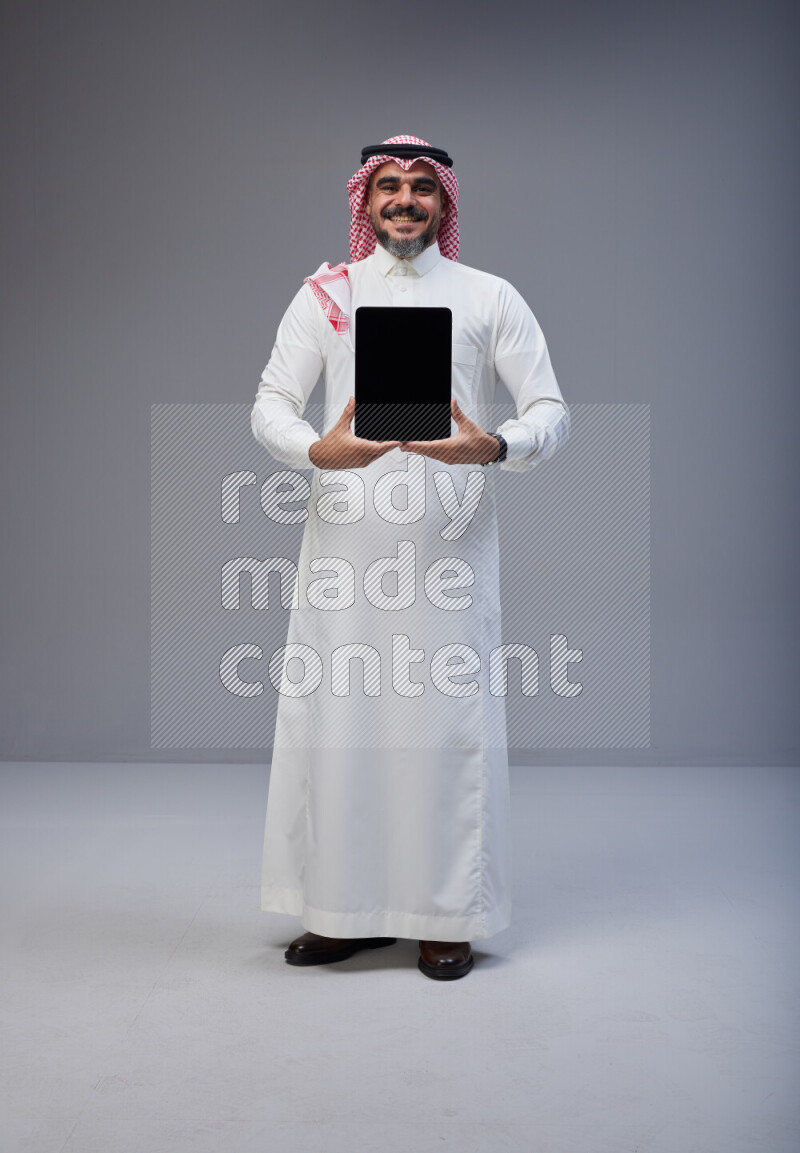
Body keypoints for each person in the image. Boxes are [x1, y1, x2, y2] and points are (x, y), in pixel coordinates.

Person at [250, 135, 569, 980]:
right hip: (346, 552)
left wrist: (495, 445)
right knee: (341, 729)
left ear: (444, 203)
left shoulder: (488, 296)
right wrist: (317, 453)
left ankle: (443, 914)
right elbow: (271, 404)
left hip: (447, 554)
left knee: (442, 731)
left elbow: (550, 409)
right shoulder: (327, 294)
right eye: (387, 186)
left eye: (421, 188)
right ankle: (340, 911)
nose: (403, 200)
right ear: (364, 200)